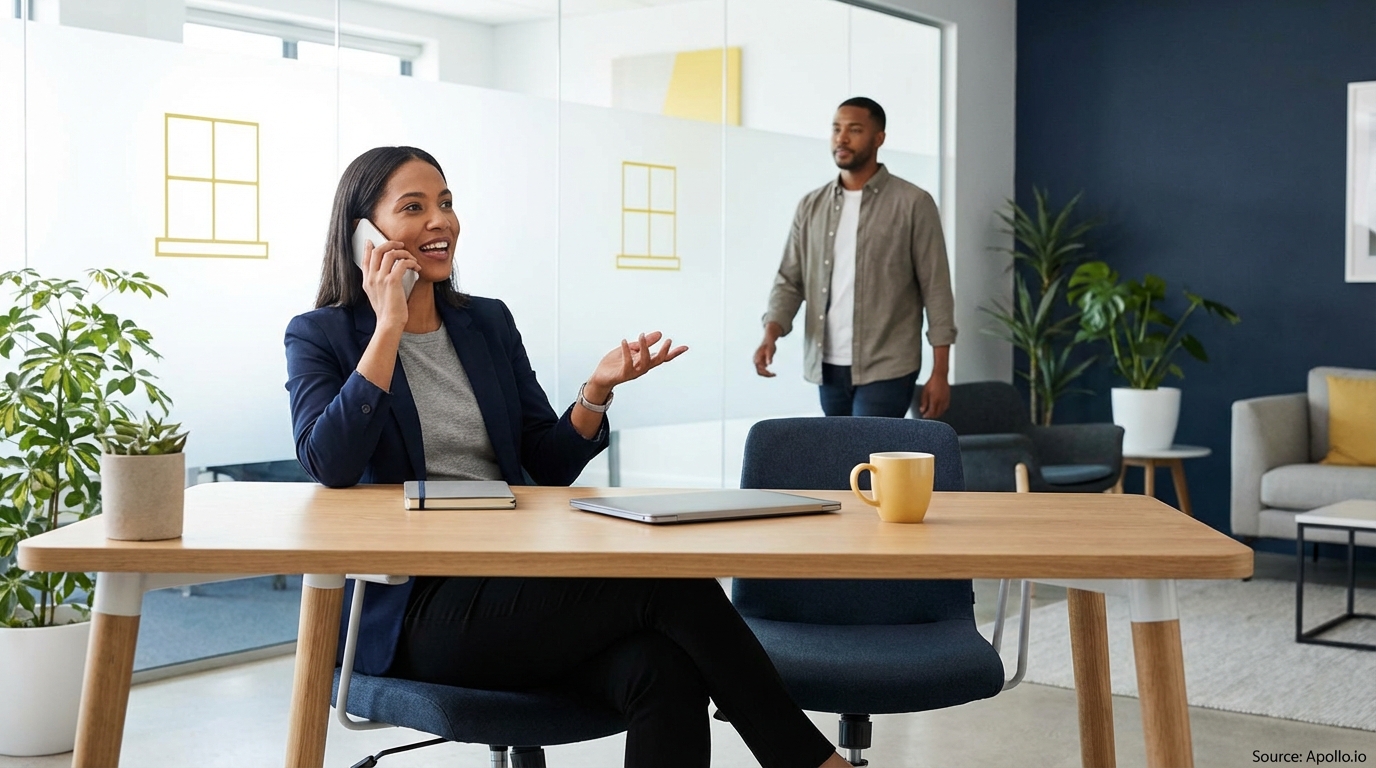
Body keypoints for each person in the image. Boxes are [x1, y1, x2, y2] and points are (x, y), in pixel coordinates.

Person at [284, 146, 851, 768]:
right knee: (670, 587)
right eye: (413, 208)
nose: (440, 220)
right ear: (366, 234)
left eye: (445, 203)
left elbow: (544, 465)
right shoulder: (321, 335)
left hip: (515, 580)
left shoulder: (487, 324)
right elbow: (328, 462)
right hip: (412, 608)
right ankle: (810, 762)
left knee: (662, 669)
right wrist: (387, 325)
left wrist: (595, 393)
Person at [754, 97, 956, 419]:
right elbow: (790, 280)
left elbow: (937, 289)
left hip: (888, 364)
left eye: (854, 130)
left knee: (870, 457)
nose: (841, 138)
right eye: (836, 129)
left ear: (879, 139)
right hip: (827, 364)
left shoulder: (913, 203)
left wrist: (940, 372)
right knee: (840, 461)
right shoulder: (811, 206)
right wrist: (771, 334)